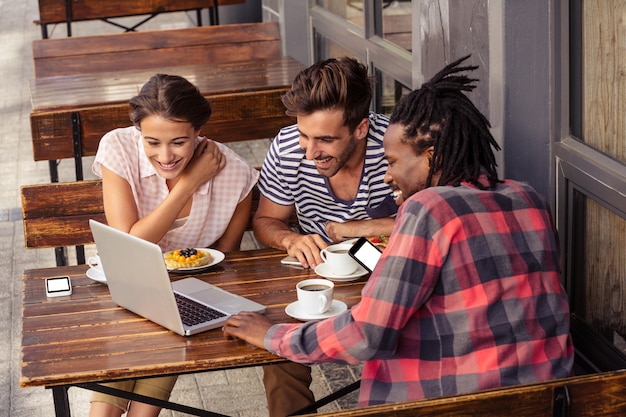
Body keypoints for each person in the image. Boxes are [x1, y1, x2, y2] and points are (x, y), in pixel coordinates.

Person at [223, 55, 574, 407]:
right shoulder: (529, 197)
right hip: (549, 398)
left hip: (459, 404)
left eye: (391, 162)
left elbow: (364, 336)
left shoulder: (427, 209)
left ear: (431, 157)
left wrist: (271, 335)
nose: (387, 175)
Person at [89, 74, 259, 417]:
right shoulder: (118, 148)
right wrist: (188, 182)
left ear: (199, 131)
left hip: (187, 301)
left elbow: (226, 262)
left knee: (143, 412)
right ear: (139, 133)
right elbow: (127, 243)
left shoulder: (235, 175)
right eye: (152, 142)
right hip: (125, 286)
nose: (165, 156)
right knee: (103, 413)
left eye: (179, 142)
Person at [252, 57, 398, 416]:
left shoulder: (397, 146)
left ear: (362, 128)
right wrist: (290, 239)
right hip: (320, 278)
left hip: (392, 280)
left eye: (325, 139)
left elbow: (432, 217)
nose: (309, 150)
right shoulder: (289, 148)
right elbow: (266, 220)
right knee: (279, 354)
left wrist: (360, 228)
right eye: (304, 134)